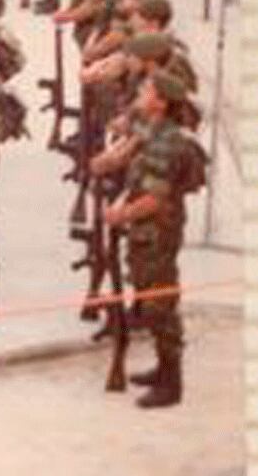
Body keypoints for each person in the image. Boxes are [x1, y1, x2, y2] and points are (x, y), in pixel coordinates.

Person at [90, 39, 207, 410]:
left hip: (156, 231)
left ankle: (172, 382)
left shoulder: (165, 144)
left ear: (161, 102)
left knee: (160, 303)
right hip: (149, 230)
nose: (141, 91)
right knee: (151, 297)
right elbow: (130, 159)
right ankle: (162, 367)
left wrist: (120, 214)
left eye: (147, 90)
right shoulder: (154, 133)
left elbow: (155, 199)